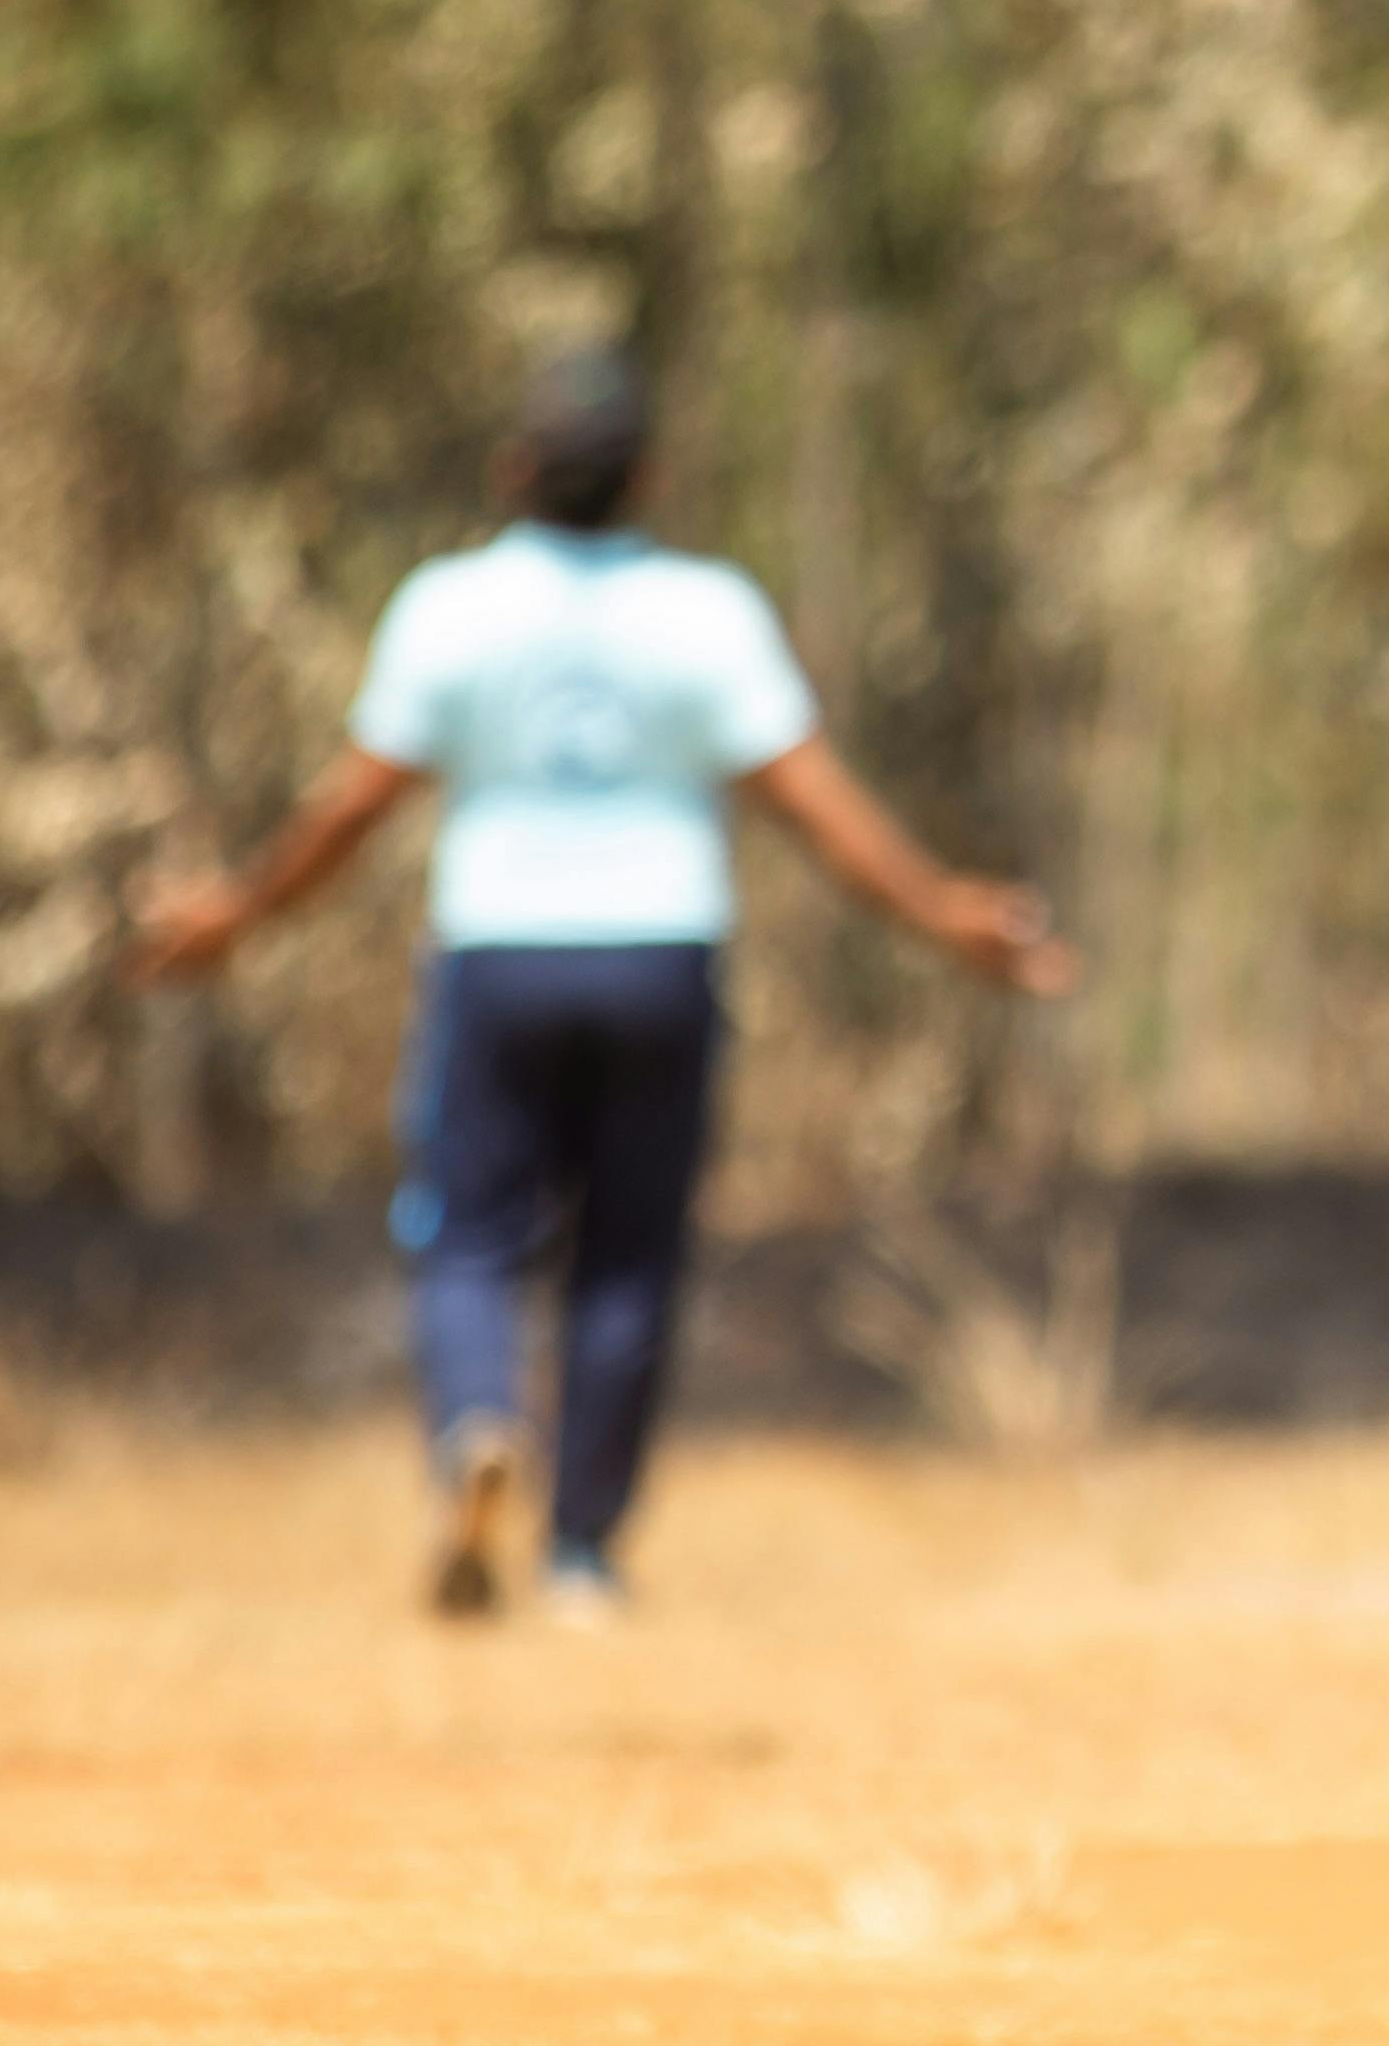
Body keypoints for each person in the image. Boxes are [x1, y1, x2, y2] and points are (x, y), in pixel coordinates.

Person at [131, 345, 1075, 1624]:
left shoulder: (449, 607)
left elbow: (354, 802)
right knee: (626, 1257)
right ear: (650, 476)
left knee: (468, 1235)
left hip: (500, 948)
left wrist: (241, 911)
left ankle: (476, 1425)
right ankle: (581, 1553)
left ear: (515, 469)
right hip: (659, 950)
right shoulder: (706, 612)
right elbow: (811, 801)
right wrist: (945, 910)